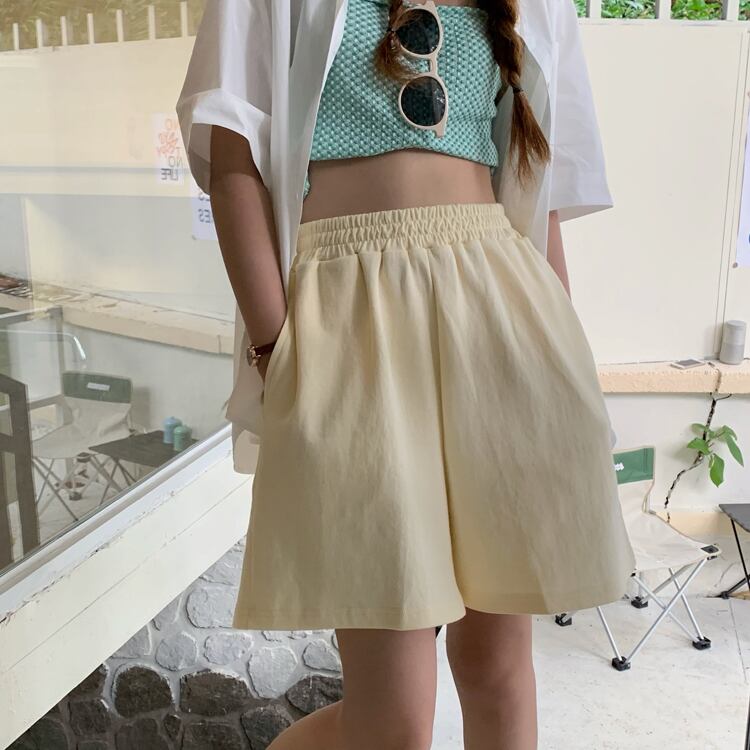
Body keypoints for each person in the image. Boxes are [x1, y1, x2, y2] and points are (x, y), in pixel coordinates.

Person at [176, 0, 636, 748]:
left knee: (497, 671)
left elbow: (540, 189)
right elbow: (232, 167)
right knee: (392, 716)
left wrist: (565, 363)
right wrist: (276, 352)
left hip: (500, 307)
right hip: (346, 315)